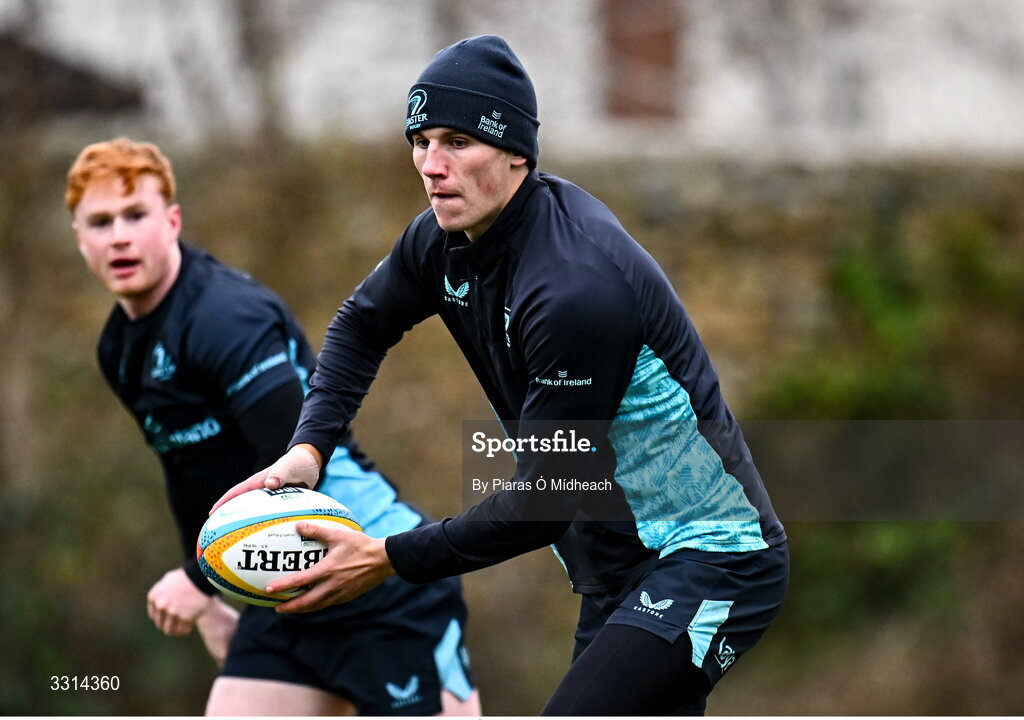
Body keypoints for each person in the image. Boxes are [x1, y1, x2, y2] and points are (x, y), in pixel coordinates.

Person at [217, 35, 789, 715]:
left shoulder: (574, 289)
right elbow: (361, 325)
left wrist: (388, 557)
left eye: (457, 141)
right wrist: (310, 449)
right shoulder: (440, 242)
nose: (432, 166)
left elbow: (544, 500)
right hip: (614, 573)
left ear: (518, 149)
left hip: (713, 561)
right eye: (420, 140)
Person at [66, 138, 480, 716]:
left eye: (136, 215)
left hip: (378, 583)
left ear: (172, 222)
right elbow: (187, 471)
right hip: (282, 588)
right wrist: (211, 588)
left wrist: (197, 579)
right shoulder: (119, 347)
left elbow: (294, 467)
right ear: (80, 239)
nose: (119, 236)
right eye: (100, 222)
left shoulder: (223, 320)